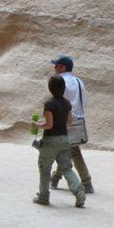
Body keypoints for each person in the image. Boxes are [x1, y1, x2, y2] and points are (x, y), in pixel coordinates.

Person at [30, 75, 86, 208]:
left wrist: (36, 124)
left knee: (45, 168)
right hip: (64, 139)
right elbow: (69, 123)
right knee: (67, 168)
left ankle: (43, 196)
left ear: (50, 88)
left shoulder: (49, 104)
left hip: (50, 140)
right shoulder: (67, 103)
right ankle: (79, 192)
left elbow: (49, 125)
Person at [49, 55, 94, 194]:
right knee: (70, 150)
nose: (54, 67)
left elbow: (60, 102)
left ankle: (86, 182)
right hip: (79, 119)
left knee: (70, 151)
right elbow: (84, 102)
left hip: (66, 120)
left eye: (56, 65)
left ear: (62, 67)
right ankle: (56, 178)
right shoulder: (79, 81)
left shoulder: (60, 81)